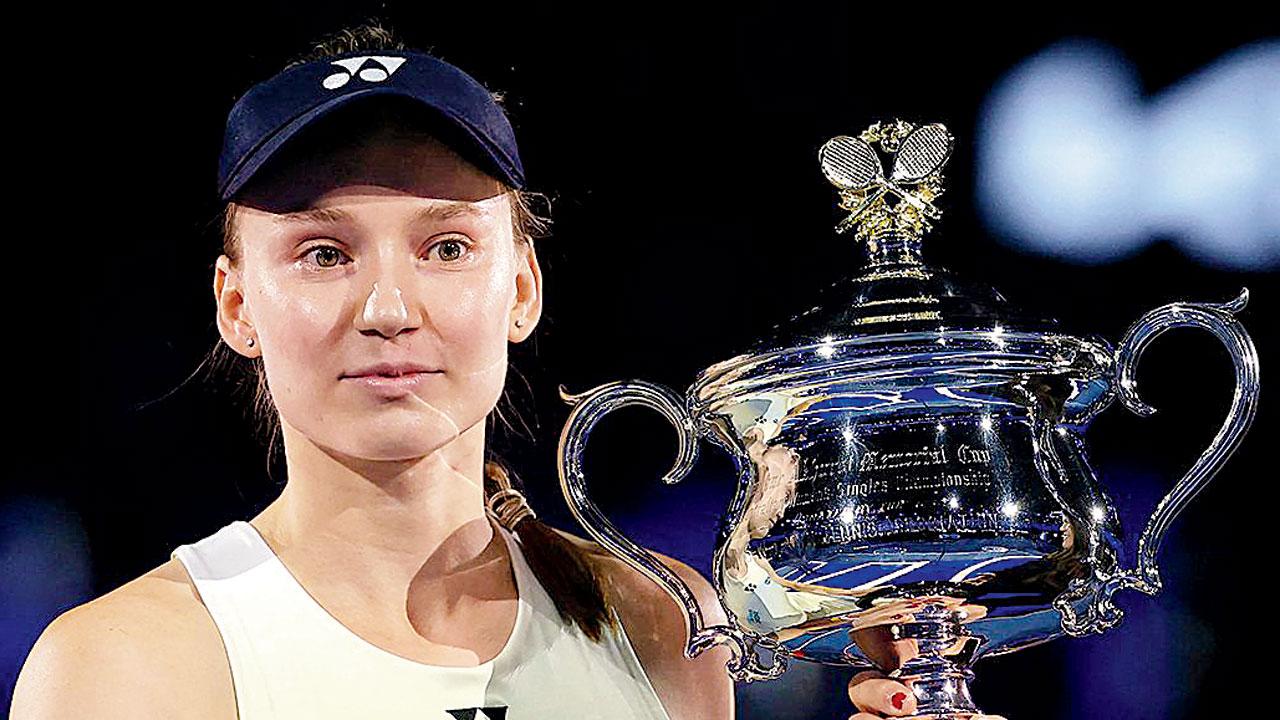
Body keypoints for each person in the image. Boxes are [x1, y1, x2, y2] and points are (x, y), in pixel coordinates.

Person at [11, 21, 988, 720]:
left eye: (445, 247)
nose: (388, 308)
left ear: (521, 288)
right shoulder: (123, 668)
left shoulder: (661, 625)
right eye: (324, 253)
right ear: (236, 306)